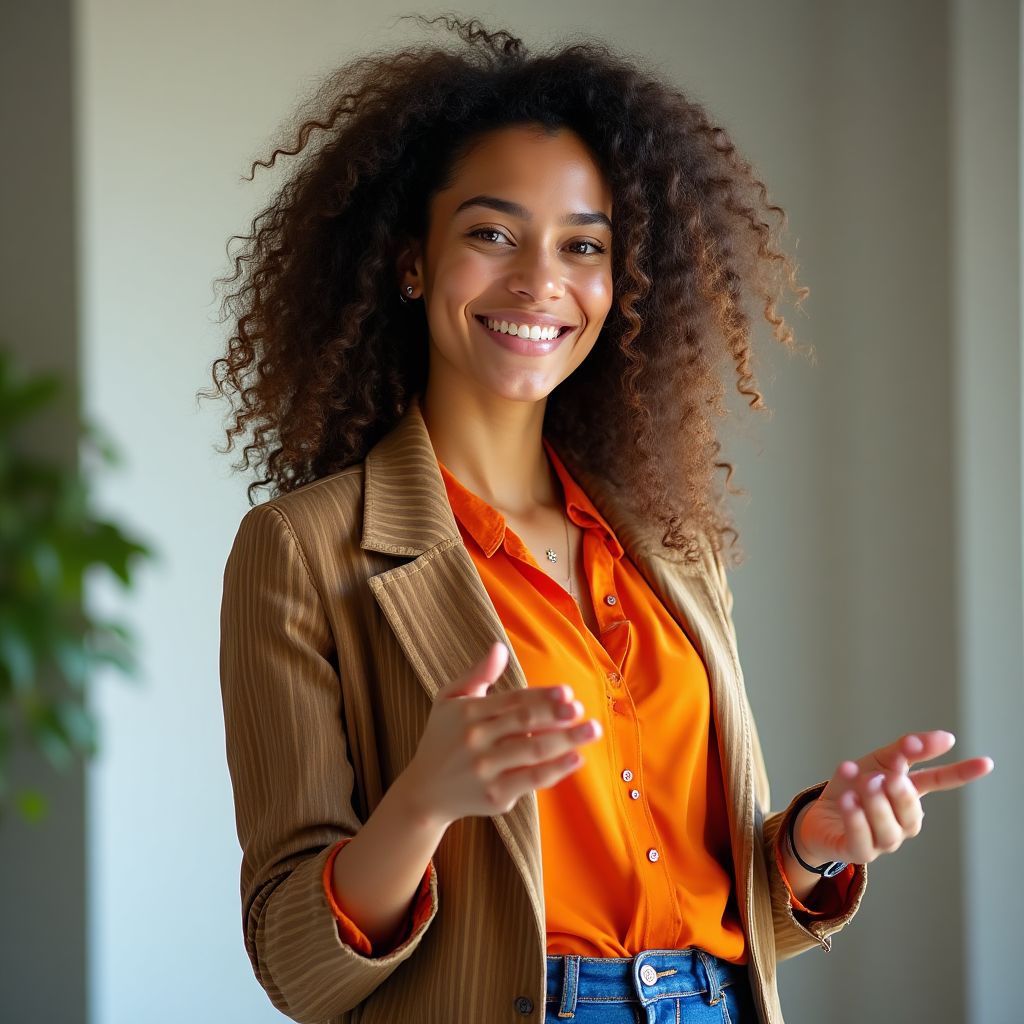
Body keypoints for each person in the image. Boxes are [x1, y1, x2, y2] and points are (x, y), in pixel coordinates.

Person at [209, 15, 994, 1024]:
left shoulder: (668, 544)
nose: (540, 280)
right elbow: (295, 963)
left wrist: (810, 846)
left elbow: (717, 911)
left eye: (583, 246)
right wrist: (424, 800)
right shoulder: (303, 550)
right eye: (491, 234)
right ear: (411, 260)